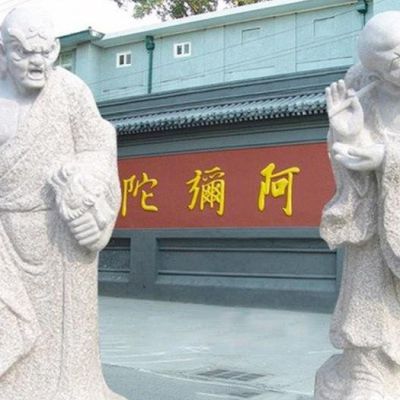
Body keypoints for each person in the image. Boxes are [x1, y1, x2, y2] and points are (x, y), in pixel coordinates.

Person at [0, 6, 124, 400]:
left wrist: (84, 187)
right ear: (4, 52)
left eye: (45, 52)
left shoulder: (70, 91)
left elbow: (98, 148)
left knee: (67, 339)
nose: (36, 62)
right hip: (4, 238)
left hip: (60, 238)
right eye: (23, 52)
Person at [315, 11, 400, 400]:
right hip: (377, 223)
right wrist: (348, 135)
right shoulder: (362, 86)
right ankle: (367, 369)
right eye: (388, 66)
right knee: (367, 282)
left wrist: (387, 158)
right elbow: (351, 162)